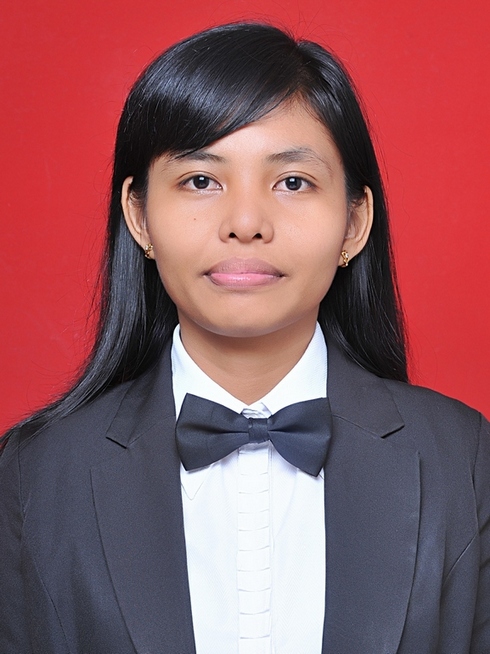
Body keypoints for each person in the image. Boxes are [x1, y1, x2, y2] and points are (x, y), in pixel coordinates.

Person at [0, 21, 488, 654]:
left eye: (293, 182)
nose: (247, 222)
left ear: (354, 222)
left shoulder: (465, 460)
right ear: (140, 217)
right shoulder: (33, 475)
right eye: (201, 180)